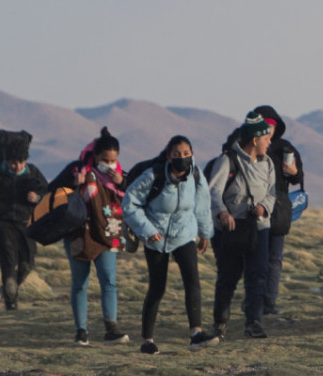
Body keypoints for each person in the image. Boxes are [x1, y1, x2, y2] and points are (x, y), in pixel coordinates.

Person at [122, 135, 217, 353]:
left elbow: (202, 205)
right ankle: (147, 341)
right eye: (176, 155)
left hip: (184, 234)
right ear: (168, 156)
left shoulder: (195, 174)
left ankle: (196, 333)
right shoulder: (152, 176)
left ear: (192, 154)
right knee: (157, 288)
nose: (182, 158)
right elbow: (129, 203)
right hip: (155, 237)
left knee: (192, 281)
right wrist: (146, 230)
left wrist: (205, 234)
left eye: (186, 154)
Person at [49, 127, 129, 346]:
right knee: (80, 283)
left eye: (113, 160)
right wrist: (74, 184)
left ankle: (111, 327)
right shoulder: (76, 169)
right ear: (95, 156)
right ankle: (81, 331)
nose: (110, 164)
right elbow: (53, 191)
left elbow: (131, 195)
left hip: (107, 233)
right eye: (105, 160)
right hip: (79, 234)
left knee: (109, 281)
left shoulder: (121, 176)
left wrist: (122, 182)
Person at [209, 109, 278, 339]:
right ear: (255, 139)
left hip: (259, 227)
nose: (270, 142)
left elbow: (272, 192)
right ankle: (220, 321)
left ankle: (254, 322)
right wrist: (223, 212)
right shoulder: (227, 161)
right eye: (267, 138)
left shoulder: (268, 163)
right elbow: (213, 192)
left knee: (258, 273)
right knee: (228, 276)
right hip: (231, 229)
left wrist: (264, 207)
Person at [0, 137, 48, 310]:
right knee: (8, 263)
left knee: (27, 264)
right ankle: (11, 301)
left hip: (27, 224)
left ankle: (9, 289)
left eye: (21, 162)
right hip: (3, 224)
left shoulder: (33, 173)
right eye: (13, 163)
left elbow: (47, 194)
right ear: (7, 161)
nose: (18, 166)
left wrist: (37, 198)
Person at [260, 106, 303, 317]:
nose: (269, 130)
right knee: (255, 257)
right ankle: (254, 301)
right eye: (265, 126)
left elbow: (298, 178)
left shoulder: (285, 148)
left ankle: (269, 302)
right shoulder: (247, 147)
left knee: (274, 258)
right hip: (254, 208)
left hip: (279, 209)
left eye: (272, 126)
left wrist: (294, 172)